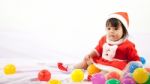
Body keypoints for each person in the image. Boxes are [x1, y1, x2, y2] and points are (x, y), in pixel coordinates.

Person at [73, 12, 142, 73]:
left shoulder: (128, 45)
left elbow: (135, 59)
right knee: (87, 61)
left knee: (107, 72)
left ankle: (100, 77)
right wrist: (90, 55)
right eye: (109, 28)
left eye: (115, 29)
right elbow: (98, 49)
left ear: (124, 31)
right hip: (102, 60)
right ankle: (73, 68)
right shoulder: (104, 39)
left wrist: (135, 66)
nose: (111, 31)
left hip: (116, 65)